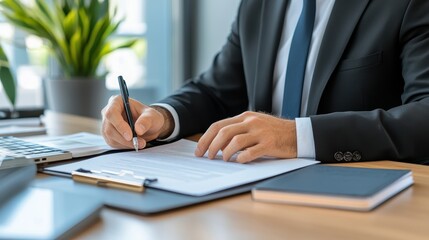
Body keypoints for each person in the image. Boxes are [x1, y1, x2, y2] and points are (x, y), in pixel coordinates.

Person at [101, 0, 429, 164]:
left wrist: (294, 137)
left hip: (359, 195)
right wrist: (161, 117)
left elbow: (424, 115)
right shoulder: (258, 5)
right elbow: (216, 90)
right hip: (253, 188)